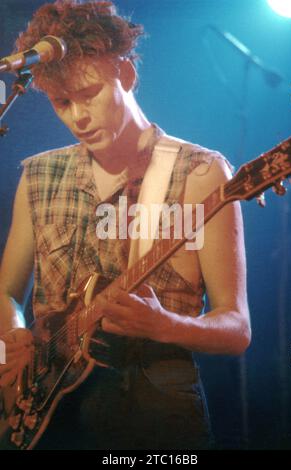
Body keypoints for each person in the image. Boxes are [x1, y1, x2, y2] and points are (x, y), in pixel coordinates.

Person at [0, 0, 251, 450]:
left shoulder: (200, 173)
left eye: (89, 93)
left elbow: (237, 329)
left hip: (154, 410)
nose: (77, 117)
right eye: (61, 102)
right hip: (47, 415)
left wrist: (165, 326)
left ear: (127, 76)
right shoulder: (38, 175)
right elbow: (5, 292)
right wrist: (15, 337)